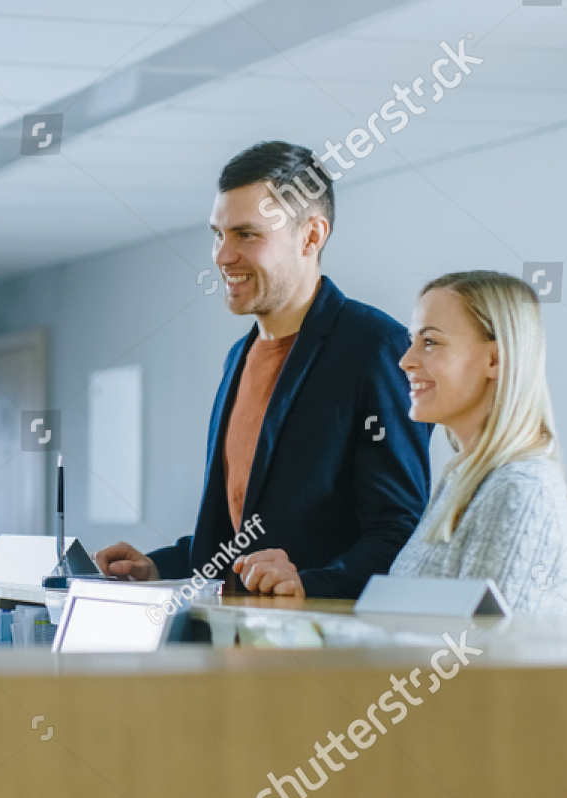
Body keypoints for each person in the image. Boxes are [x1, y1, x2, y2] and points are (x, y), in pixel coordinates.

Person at [95, 141, 431, 601]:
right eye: (218, 233)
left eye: (246, 235)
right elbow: (241, 532)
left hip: (319, 653)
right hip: (230, 648)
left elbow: (399, 532)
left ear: (311, 236)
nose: (222, 255)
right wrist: (160, 565)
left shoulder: (375, 348)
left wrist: (309, 585)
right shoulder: (240, 356)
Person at [389, 271, 567, 613]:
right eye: (412, 340)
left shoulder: (522, 490)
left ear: (495, 359)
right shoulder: (462, 480)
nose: (406, 361)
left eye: (430, 342)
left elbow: (486, 654)